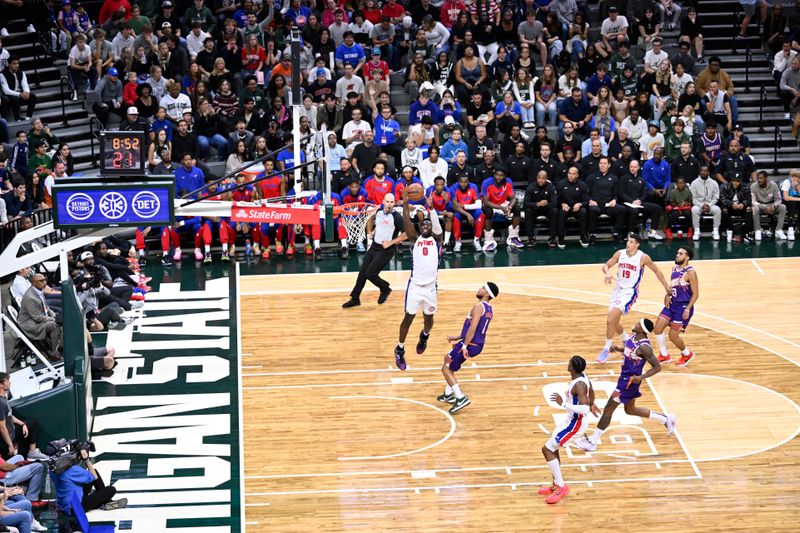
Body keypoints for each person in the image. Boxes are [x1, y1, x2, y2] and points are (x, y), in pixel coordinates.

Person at [576, 319, 677, 452]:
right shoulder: (635, 336)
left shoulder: (645, 347)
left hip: (629, 382)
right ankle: (666, 419)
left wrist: (641, 377)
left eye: (638, 324)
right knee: (630, 410)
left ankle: (593, 441)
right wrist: (618, 349)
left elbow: (657, 367)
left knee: (608, 409)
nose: (636, 324)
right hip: (624, 379)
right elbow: (631, 350)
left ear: (642, 329)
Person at [598, 234, 671, 363]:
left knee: (610, 320)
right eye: (628, 241)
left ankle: (606, 348)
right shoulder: (620, 254)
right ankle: (626, 339)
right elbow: (605, 265)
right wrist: (608, 272)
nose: (628, 243)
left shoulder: (643, 257)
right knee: (614, 321)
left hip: (629, 293)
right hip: (617, 290)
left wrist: (666, 286)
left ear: (637, 244)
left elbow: (657, 271)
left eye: (631, 242)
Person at [393, 189, 444, 371]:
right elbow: (408, 224)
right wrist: (406, 204)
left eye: (428, 225)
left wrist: (430, 209)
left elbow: (436, 226)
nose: (425, 226)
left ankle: (424, 335)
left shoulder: (437, 241)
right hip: (415, 287)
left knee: (429, 319)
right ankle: (399, 348)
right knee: (408, 317)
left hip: (431, 287)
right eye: (423, 225)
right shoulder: (414, 239)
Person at [538, 355, 597, 505]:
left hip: (576, 423)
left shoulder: (579, 385)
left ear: (572, 368)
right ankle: (557, 483)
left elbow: (584, 409)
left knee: (547, 449)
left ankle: (561, 487)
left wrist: (563, 404)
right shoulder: (583, 377)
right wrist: (593, 403)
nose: (568, 364)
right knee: (552, 448)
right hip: (570, 420)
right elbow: (592, 389)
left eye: (569, 362)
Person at [437, 283, 499, 414]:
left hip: (470, 344)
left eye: (483, 288)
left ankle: (460, 397)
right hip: (476, 344)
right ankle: (448, 393)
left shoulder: (478, 306)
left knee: (446, 366)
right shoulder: (489, 309)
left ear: (487, 294)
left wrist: (464, 345)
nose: (479, 289)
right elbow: (474, 330)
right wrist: (457, 337)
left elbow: (473, 328)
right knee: (449, 362)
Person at [342, 193, 406, 308]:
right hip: (374, 247)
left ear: (394, 203)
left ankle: (385, 288)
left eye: (392, 202)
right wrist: (373, 232)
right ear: (383, 202)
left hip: (386, 250)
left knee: (370, 273)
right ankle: (355, 298)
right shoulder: (379, 212)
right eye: (387, 201)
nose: (389, 204)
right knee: (362, 273)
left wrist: (391, 242)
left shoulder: (397, 217)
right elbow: (380, 225)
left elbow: (407, 234)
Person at [653, 247, 698, 366]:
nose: (677, 255)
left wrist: (688, 308)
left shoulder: (690, 272)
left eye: (681, 254)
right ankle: (664, 355)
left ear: (687, 257)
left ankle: (687, 354)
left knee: (673, 336)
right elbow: (674, 288)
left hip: (683, 307)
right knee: (657, 328)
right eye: (677, 253)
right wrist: (667, 295)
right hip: (672, 304)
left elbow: (696, 294)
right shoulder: (674, 268)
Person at [52, 447, 127, 514]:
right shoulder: (72, 470)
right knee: (111, 490)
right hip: (76, 507)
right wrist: (86, 459)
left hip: (64, 504)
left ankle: (104, 501)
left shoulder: (53, 470)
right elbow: (94, 476)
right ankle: (105, 502)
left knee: (93, 472)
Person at [17, 274, 61, 359]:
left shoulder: (38, 291)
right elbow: (37, 318)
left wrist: (53, 314)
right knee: (53, 324)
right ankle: (55, 353)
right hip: (30, 324)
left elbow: (46, 307)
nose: (44, 283)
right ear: (33, 283)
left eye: (44, 280)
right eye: (41, 281)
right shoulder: (31, 298)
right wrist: (52, 318)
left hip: (37, 318)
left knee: (57, 317)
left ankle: (58, 344)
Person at [555, 165, 589, 249]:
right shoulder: (561, 184)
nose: (571, 175)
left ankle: (582, 236)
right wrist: (562, 204)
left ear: (577, 175)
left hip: (577, 208)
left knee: (583, 212)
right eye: (569, 173)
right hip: (565, 207)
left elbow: (586, 201)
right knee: (561, 213)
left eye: (573, 174)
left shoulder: (582, 185)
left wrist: (580, 204)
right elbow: (556, 200)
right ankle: (561, 237)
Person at [751, 170, 788, 241]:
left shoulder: (774, 185)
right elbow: (753, 201)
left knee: (783, 207)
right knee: (754, 208)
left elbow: (779, 199)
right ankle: (757, 231)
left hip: (771, 205)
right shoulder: (753, 186)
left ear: (766, 178)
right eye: (758, 178)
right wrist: (764, 207)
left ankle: (778, 230)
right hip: (760, 206)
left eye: (761, 178)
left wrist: (774, 206)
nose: (759, 180)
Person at [690, 165, 722, 240]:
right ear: (699, 172)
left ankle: (715, 230)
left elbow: (716, 197)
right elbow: (693, 198)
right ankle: (697, 231)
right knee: (694, 210)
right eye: (702, 170)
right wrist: (701, 205)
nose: (703, 172)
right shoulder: (694, 183)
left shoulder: (714, 183)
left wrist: (709, 205)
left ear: (709, 172)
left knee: (717, 210)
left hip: (710, 204)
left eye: (705, 171)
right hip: (699, 204)